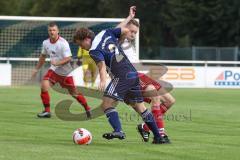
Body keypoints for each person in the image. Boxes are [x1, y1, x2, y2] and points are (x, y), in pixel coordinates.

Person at [74, 6, 166, 144]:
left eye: (81, 44)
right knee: (139, 107)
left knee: (106, 105)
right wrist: (128, 19)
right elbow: (124, 29)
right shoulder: (105, 33)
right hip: (133, 74)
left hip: (121, 76)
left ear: (86, 39)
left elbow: (101, 65)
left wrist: (103, 79)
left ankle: (118, 130)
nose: (82, 48)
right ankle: (158, 137)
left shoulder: (93, 50)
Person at [31, 22, 91, 118]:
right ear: (48, 31)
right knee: (44, 86)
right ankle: (47, 111)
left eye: (54, 30)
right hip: (54, 71)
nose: (52, 32)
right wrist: (36, 69)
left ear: (57, 31)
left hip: (66, 73)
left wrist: (57, 63)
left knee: (74, 93)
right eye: (50, 30)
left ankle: (87, 108)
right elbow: (42, 57)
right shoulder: (45, 43)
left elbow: (68, 58)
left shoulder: (63, 43)